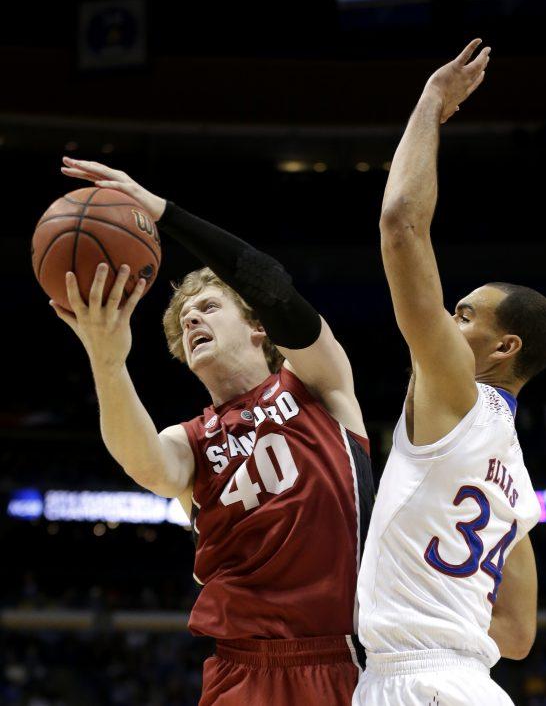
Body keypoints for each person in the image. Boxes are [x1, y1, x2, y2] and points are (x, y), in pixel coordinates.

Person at [54, 157, 375, 705]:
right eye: (184, 319)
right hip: (240, 671)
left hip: (343, 657)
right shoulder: (193, 441)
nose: (192, 319)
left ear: (256, 327)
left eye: (208, 307)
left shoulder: (318, 384)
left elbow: (272, 286)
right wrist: (106, 361)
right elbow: (145, 463)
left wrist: (163, 212)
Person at [353, 39, 546, 706]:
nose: (449, 319)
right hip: (474, 683)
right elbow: (520, 634)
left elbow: (399, 224)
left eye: (465, 316)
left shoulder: (457, 396)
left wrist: (431, 103)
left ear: (504, 348)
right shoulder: (519, 482)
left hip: (413, 682)